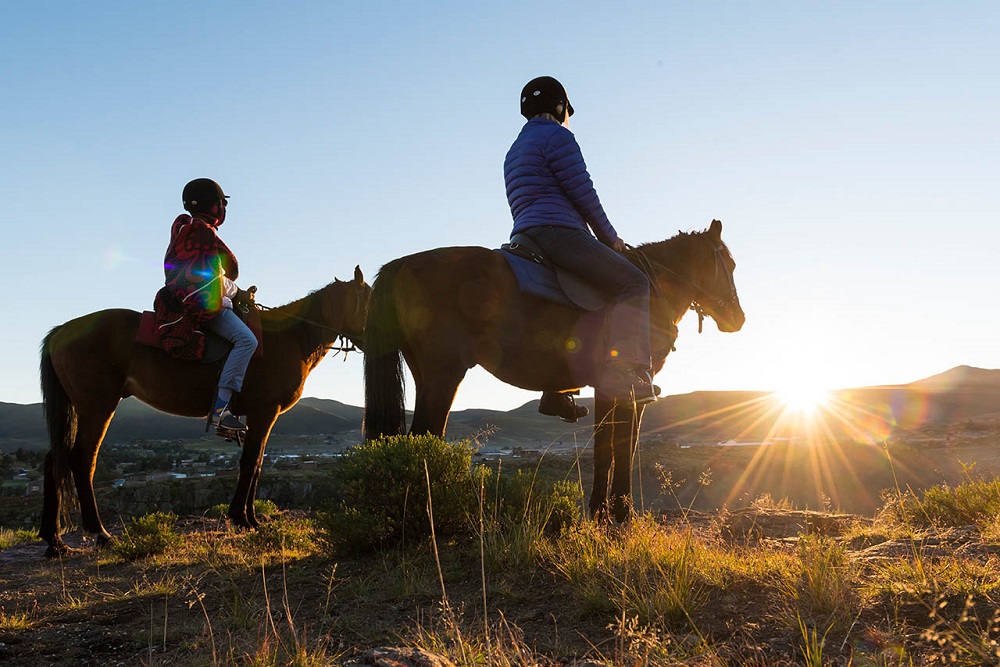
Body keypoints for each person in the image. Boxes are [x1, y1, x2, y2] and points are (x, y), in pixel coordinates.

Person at [504, 76, 658, 418]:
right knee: (634, 284)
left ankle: (556, 390)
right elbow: (583, 192)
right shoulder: (558, 136)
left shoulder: (513, 150)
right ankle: (629, 374)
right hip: (559, 232)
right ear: (560, 107)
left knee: (574, 296)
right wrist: (610, 238)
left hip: (525, 236)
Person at [153, 178, 257, 435]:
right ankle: (222, 411)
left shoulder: (184, 229)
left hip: (180, 298)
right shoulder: (202, 234)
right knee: (247, 341)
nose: (224, 208)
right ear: (213, 205)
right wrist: (239, 293)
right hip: (204, 303)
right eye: (222, 203)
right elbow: (210, 280)